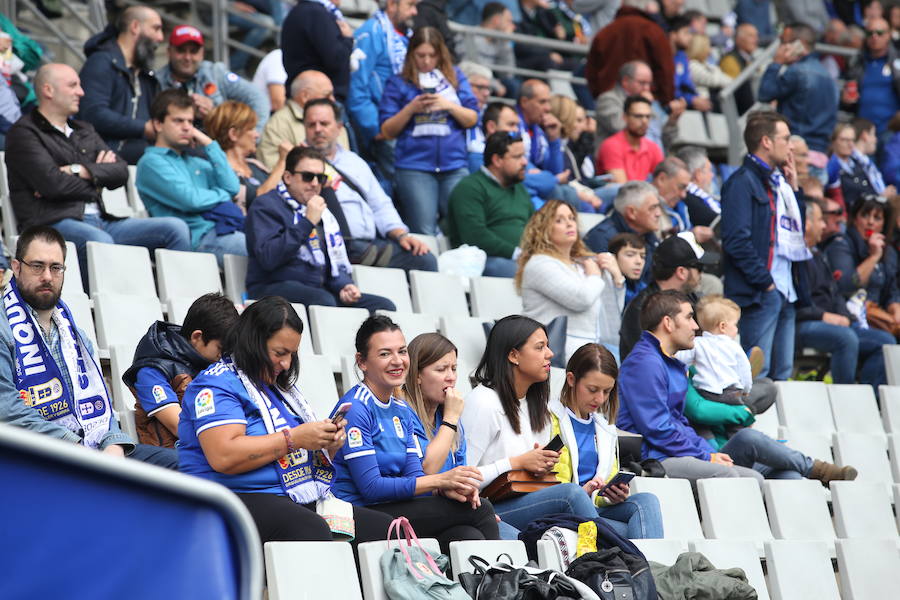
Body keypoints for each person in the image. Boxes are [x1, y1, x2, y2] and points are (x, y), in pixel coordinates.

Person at [178, 296, 394, 546]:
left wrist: (326, 445)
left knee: (384, 529)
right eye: (279, 353)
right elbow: (223, 456)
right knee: (310, 530)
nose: (287, 363)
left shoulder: (279, 390)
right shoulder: (216, 384)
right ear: (253, 342)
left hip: (289, 495)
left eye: (292, 354)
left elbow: (296, 456)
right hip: (226, 498)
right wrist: (295, 439)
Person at [617, 289, 857, 486]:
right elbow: (658, 428)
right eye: (689, 317)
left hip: (683, 451)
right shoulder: (645, 363)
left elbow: (679, 423)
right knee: (747, 479)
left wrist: (707, 452)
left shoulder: (670, 362)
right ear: (668, 323)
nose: (695, 326)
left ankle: (816, 470)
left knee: (787, 476)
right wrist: (707, 455)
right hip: (658, 458)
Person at [0, 226, 177, 468]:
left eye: (56, 267)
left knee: (183, 465)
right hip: (38, 458)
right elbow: (6, 410)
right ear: (17, 267)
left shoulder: (76, 336)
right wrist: (72, 445)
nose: (47, 277)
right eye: (37, 266)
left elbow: (99, 405)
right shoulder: (3, 329)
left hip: (92, 449)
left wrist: (113, 444)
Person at [331, 316, 500, 551]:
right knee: (481, 510)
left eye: (401, 351)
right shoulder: (356, 408)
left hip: (393, 508)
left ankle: (482, 585)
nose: (397, 361)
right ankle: (506, 584)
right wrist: (440, 480)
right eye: (384, 354)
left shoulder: (401, 409)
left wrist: (445, 489)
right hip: (359, 515)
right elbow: (370, 488)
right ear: (362, 362)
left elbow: (415, 475)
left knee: (465, 534)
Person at [5, 63, 191, 277]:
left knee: (175, 229)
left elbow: (120, 171)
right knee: (100, 242)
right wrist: (97, 179)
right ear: (48, 90)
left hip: (102, 221)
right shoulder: (24, 133)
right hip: (51, 223)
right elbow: (53, 185)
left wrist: (77, 171)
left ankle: (186, 308)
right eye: (73, 85)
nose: (81, 92)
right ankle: (98, 309)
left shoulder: (84, 129)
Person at [460, 315, 603, 532]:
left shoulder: (537, 406)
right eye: (540, 347)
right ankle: (610, 558)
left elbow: (529, 479)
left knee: (642, 503)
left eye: (548, 346)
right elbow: (461, 479)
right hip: (485, 507)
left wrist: (541, 465)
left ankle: (621, 558)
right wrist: (518, 462)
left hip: (525, 500)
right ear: (513, 355)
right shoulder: (483, 402)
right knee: (570, 494)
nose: (550, 354)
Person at [246, 146, 395, 312]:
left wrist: (343, 285)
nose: (315, 184)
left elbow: (331, 259)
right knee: (324, 301)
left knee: (384, 306)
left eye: (321, 178)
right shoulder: (266, 205)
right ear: (288, 177)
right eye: (308, 177)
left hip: (317, 289)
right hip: (271, 288)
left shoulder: (322, 212)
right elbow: (269, 257)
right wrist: (307, 221)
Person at [721, 111, 811, 381]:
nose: (791, 145)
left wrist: (794, 189)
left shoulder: (779, 183)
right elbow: (736, 240)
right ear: (766, 142)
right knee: (757, 375)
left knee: (783, 374)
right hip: (761, 292)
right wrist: (766, 283)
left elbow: (797, 231)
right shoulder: (742, 182)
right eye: (786, 138)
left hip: (785, 290)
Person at [302, 98, 438, 272]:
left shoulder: (355, 162)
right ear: (304, 128)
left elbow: (379, 205)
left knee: (424, 259)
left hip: (369, 244)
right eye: (311, 125)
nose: (318, 130)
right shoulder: (298, 163)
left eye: (324, 123)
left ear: (339, 127)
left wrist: (401, 235)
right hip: (329, 245)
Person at [550, 343, 664, 539]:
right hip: (564, 510)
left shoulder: (605, 428)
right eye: (593, 389)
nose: (600, 399)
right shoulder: (549, 419)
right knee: (634, 532)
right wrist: (582, 492)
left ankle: (646, 563)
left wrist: (612, 496)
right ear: (571, 379)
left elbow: (600, 493)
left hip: (593, 512)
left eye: (607, 391)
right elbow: (550, 486)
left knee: (647, 501)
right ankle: (649, 564)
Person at [379, 27, 479, 235]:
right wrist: (411, 109)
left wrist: (448, 105)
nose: (426, 61)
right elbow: (387, 131)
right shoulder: (398, 82)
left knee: (459, 228)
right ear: (411, 54)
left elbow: (472, 118)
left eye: (432, 56)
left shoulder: (455, 78)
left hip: (453, 165)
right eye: (420, 55)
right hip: (414, 167)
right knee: (424, 231)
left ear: (440, 54)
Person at [136, 89, 246, 266]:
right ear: (158, 124)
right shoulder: (150, 163)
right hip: (198, 240)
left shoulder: (195, 161)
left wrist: (209, 144)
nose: (187, 127)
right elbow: (191, 200)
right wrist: (222, 194)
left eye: (190, 122)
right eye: (178, 121)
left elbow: (233, 187)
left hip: (222, 231)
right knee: (259, 249)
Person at [123, 293, 239, 447]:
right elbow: (178, 427)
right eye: (220, 348)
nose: (223, 356)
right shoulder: (151, 369)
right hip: (171, 453)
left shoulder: (211, 362)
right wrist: (231, 445)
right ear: (197, 337)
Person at [798, 199, 893, 387]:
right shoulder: (826, 248)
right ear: (807, 224)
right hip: (804, 322)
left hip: (838, 319)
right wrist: (824, 315)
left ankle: (872, 399)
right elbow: (844, 286)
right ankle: (846, 396)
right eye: (821, 220)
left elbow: (834, 294)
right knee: (846, 338)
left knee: (885, 341)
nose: (825, 225)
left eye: (877, 218)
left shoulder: (816, 255)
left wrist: (846, 317)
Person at [516, 200, 625, 361]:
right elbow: (581, 299)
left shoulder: (582, 264)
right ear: (543, 229)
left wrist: (617, 278)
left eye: (571, 218)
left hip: (590, 349)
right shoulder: (539, 264)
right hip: (553, 351)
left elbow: (611, 311)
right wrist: (595, 275)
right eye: (559, 220)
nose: (569, 224)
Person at [78, 6, 163, 164]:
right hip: (105, 159)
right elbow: (93, 113)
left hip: (138, 158)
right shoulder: (101, 62)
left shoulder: (146, 75)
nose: (160, 37)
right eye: (156, 28)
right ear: (135, 26)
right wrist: (143, 128)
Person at [447, 132, 533, 278]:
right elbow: (475, 236)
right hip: (484, 262)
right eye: (517, 157)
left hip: (523, 260)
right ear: (497, 160)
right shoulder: (470, 188)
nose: (525, 162)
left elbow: (536, 226)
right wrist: (516, 253)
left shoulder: (519, 189)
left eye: (524, 156)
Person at [757, 24, 838, 177]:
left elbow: (764, 93)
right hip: (821, 157)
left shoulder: (797, 71)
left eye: (784, 42)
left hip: (796, 154)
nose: (780, 47)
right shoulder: (827, 75)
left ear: (799, 44)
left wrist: (776, 63)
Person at [674, 295, 775, 416]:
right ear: (722, 326)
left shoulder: (696, 343)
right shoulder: (734, 346)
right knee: (739, 419)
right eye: (735, 324)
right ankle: (744, 421)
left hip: (705, 393)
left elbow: (680, 359)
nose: (737, 329)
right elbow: (745, 371)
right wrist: (746, 389)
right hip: (730, 394)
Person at [157, 25, 270, 133]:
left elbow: (259, 99)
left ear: (202, 53)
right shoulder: (156, 81)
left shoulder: (215, 72)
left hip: (216, 145)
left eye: (193, 51)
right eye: (181, 50)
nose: (187, 57)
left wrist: (215, 114)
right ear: (169, 51)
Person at [348, 0, 418, 171]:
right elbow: (356, 85)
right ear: (392, 5)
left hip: (405, 126)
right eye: (410, 5)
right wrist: (375, 127)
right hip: (384, 128)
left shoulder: (407, 37)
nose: (415, 12)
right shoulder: (371, 32)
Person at [824, 195, 900, 333]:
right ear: (854, 219)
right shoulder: (841, 244)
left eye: (877, 218)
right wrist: (874, 257)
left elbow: (892, 291)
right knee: (885, 340)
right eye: (865, 215)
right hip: (850, 317)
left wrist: (895, 309)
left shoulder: (889, 252)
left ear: (884, 224)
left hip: (879, 316)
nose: (870, 222)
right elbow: (847, 285)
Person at [205, 101, 289, 212]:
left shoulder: (255, 164)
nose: (257, 135)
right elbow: (260, 201)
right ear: (233, 134)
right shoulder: (221, 171)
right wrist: (282, 161)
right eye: (251, 129)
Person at [586, 0, 675, 103]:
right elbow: (666, 70)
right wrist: (665, 100)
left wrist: (599, 94)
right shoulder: (654, 31)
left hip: (609, 97)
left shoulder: (606, 31)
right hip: (644, 101)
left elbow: (591, 70)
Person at [258, 70, 350, 169]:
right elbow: (272, 172)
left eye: (324, 124)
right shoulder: (278, 125)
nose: (333, 100)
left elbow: (348, 163)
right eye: (327, 95)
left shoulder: (334, 119)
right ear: (305, 96)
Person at [594, 60, 684, 148]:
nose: (647, 88)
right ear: (625, 81)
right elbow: (621, 127)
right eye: (642, 83)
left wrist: (672, 121)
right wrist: (642, 105)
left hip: (650, 156)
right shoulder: (608, 100)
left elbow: (667, 141)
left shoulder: (651, 103)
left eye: (649, 84)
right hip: (617, 155)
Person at [583, 180, 661, 279]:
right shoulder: (602, 238)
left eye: (658, 207)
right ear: (631, 212)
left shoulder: (647, 233)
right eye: (652, 208)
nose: (658, 213)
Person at [281, 0, 354, 103]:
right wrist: (347, 39)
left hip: (310, 97)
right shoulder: (315, 13)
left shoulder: (303, 10)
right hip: (320, 101)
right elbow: (336, 59)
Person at [843, 16, 900, 134]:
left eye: (879, 33)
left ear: (889, 35)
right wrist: (845, 100)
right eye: (870, 33)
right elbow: (848, 98)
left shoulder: (897, 62)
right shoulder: (857, 62)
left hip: (891, 131)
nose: (874, 37)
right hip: (861, 130)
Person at [829, 118, 896, 209]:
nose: (850, 144)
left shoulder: (859, 164)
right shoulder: (831, 166)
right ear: (833, 141)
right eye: (845, 140)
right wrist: (880, 197)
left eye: (852, 140)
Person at [596, 95, 664, 184]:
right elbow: (621, 188)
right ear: (625, 117)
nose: (644, 121)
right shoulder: (611, 145)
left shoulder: (653, 147)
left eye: (647, 116)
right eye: (638, 116)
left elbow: (663, 182)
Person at [670, 16, 712, 112]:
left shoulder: (682, 57)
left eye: (690, 33)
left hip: (684, 102)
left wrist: (696, 98)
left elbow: (687, 85)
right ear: (673, 35)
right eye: (686, 33)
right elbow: (670, 88)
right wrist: (691, 99)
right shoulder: (663, 58)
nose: (690, 37)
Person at [719, 23, 759, 114]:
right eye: (751, 36)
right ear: (738, 39)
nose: (756, 40)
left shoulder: (752, 60)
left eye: (756, 36)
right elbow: (736, 88)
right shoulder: (729, 60)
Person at [676, 146, 720, 227]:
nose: (712, 175)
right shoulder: (690, 198)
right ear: (698, 174)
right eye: (709, 170)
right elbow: (717, 223)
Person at [687, 34, 733, 104]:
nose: (710, 50)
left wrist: (734, 83)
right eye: (708, 46)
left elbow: (728, 81)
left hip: (709, 101)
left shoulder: (704, 64)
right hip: (702, 104)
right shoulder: (691, 65)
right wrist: (716, 69)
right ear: (700, 48)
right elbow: (714, 80)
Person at [609, 232, 648, 307]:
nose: (639, 261)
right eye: (630, 255)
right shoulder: (604, 287)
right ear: (613, 258)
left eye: (642, 256)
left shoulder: (643, 288)